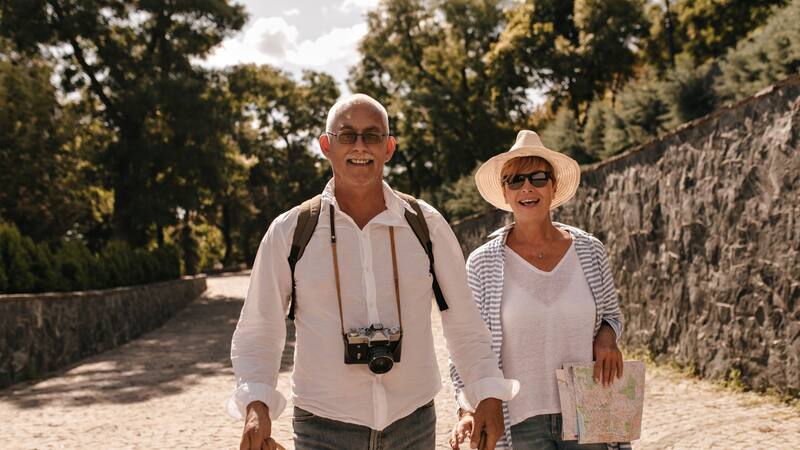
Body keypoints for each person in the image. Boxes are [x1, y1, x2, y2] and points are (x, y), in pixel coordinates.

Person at [228, 94, 518, 450]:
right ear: (326, 146)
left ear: (389, 147)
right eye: (347, 135)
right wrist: (255, 404)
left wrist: (486, 391)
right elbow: (260, 329)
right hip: (322, 426)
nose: (360, 146)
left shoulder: (427, 224)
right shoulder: (291, 231)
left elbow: (463, 323)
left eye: (372, 135)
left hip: (412, 422)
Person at [448, 130, 628, 450]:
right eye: (515, 180)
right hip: (519, 419)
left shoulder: (590, 250)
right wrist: (467, 408)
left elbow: (611, 317)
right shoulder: (482, 263)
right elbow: (467, 344)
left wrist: (606, 337)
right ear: (504, 192)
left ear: (553, 186)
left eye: (538, 177)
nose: (527, 187)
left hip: (588, 408)